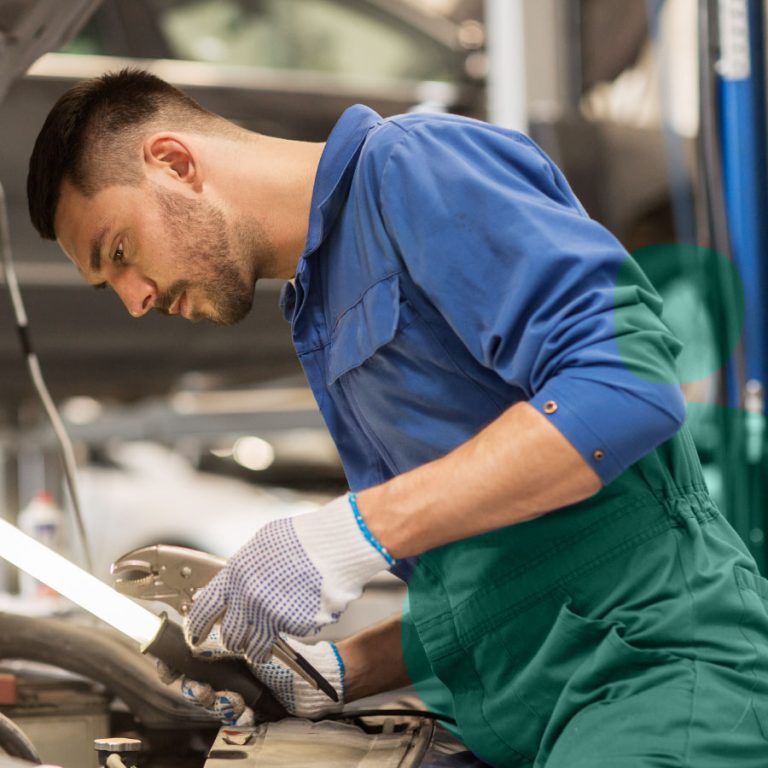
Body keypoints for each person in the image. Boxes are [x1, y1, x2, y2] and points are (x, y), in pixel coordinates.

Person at [27, 69, 768, 767]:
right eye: (107, 284)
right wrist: (335, 670)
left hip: (657, 679)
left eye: (119, 250)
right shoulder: (320, 303)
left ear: (173, 162)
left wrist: (351, 532)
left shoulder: (416, 169)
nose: (135, 299)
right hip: (537, 716)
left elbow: (626, 389)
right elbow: (502, 569)